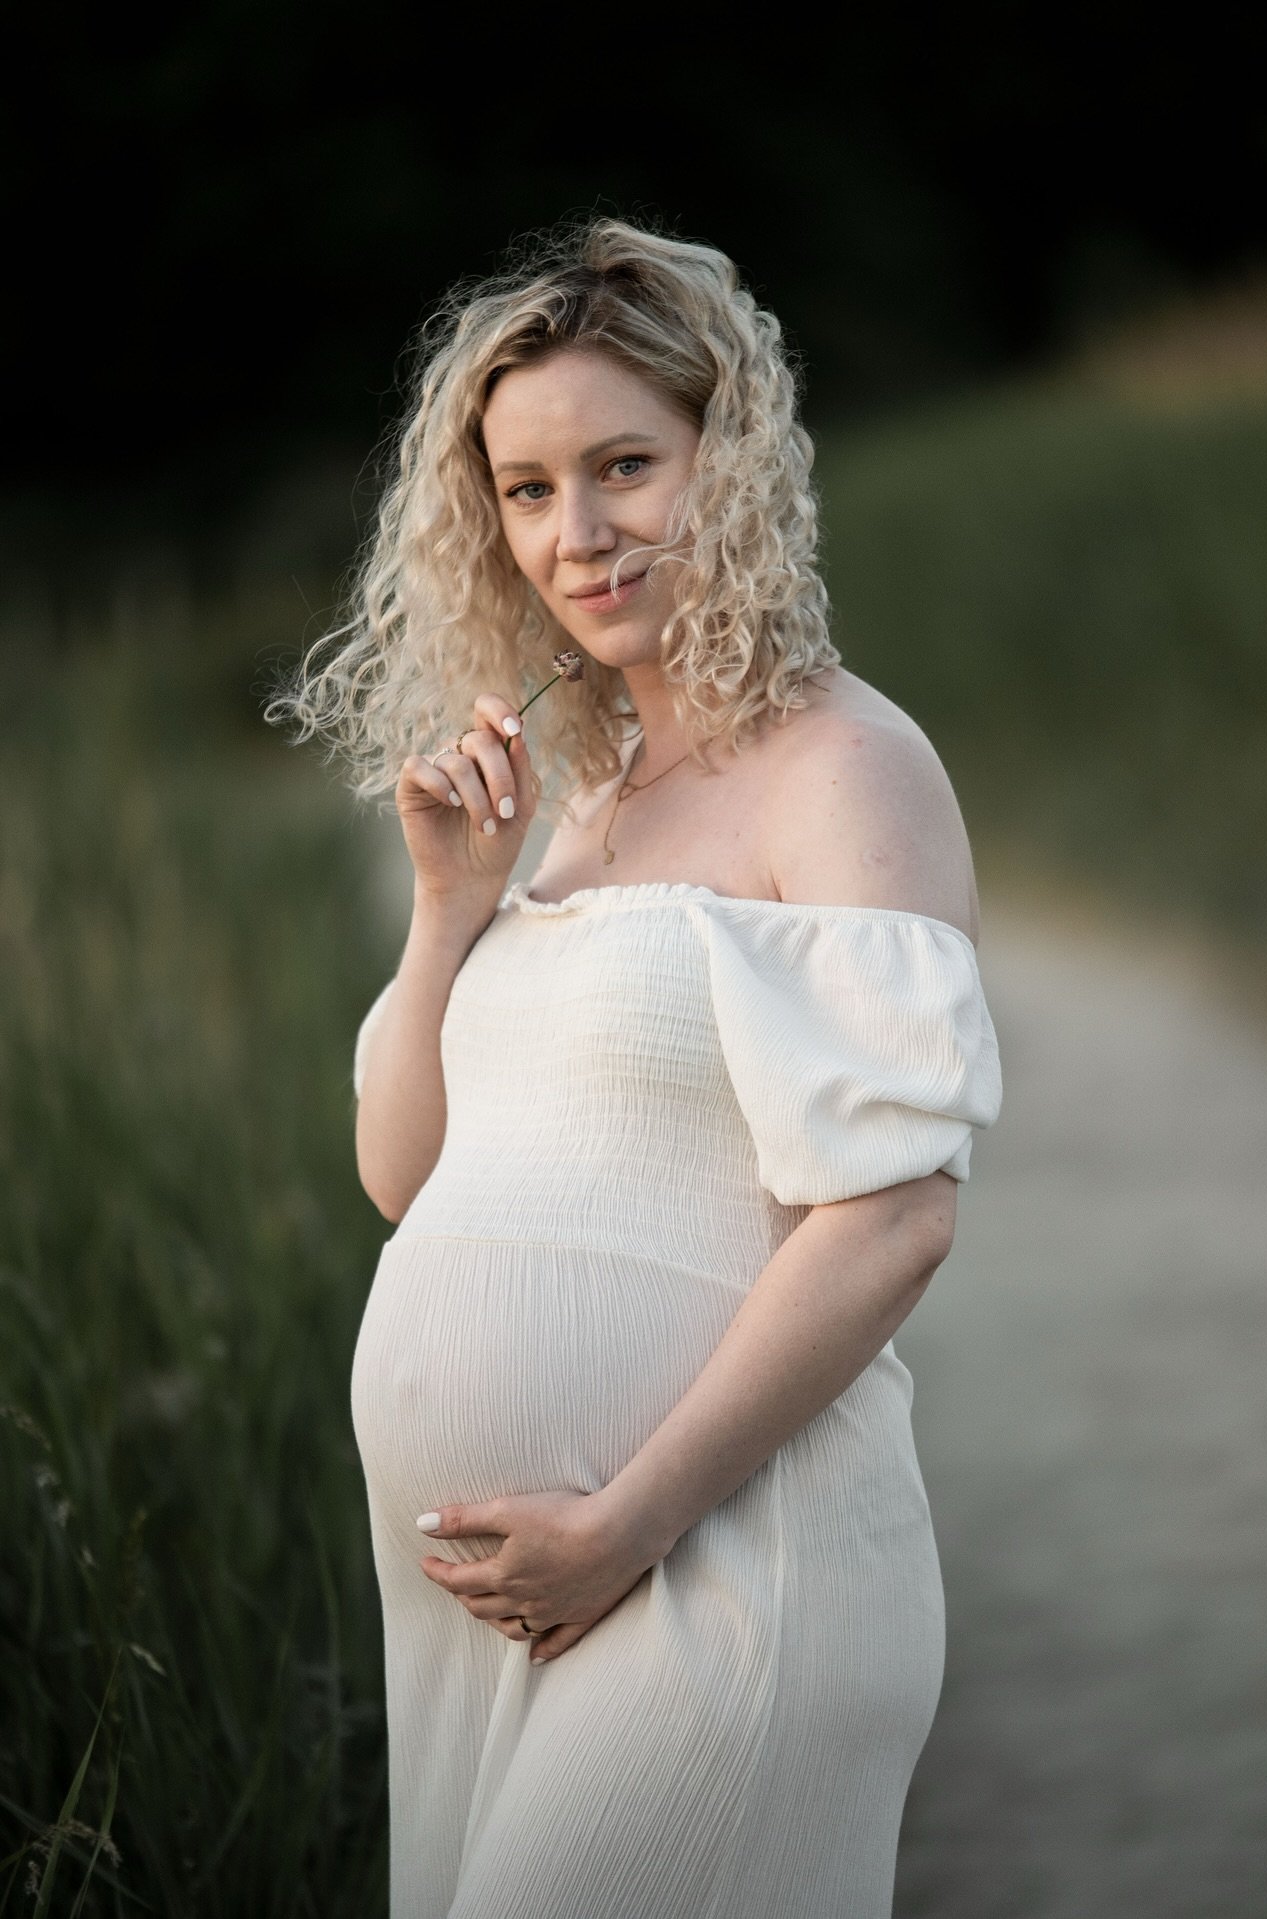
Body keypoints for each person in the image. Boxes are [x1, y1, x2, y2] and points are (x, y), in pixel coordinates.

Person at [268, 216, 1002, 1918]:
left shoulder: (847, 767)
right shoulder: (577, 806)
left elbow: (894, 1221)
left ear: (726, 462)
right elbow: (401, 1180)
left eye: (623, 467)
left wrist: (627, 1525)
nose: (576, 537)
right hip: (499, 1602)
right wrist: (451, 914)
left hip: (728, 1570)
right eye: (526, 490)